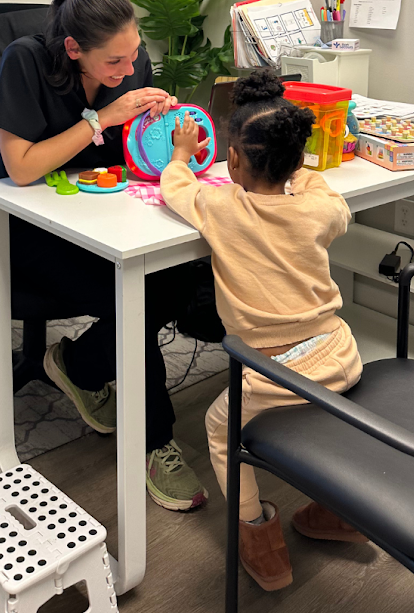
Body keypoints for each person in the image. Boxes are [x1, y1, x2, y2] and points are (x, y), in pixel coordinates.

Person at [0, 0, 208, 511]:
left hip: (109, 212)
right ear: (72, 49)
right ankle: (153, 442)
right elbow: (20, 170)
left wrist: (161, 123)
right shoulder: (26, 62)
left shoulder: (128, 62)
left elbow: (133, 158)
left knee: (185, 274)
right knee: (144, 297)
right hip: (36, 227)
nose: (128, 70)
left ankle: (77, 363)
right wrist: (104, 118)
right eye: (114, 63)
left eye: (134, 55)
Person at [159, 70, 364, 588]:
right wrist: (301, 175)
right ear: (298, 161)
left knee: (219, 428)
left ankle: (259, 537)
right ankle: (337, 514)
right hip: (342, 353)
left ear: (231, 162)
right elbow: (332, 201)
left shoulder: (221, 208)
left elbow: (174, 187)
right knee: (323, 420)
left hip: (277, 374)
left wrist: (182, 154)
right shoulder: (319, 207)